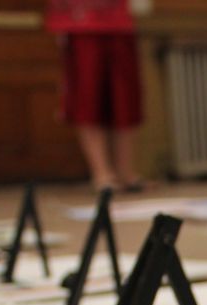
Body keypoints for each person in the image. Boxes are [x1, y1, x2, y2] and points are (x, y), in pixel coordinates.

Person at [46, 0, 146, 191]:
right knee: (87, 99)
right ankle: (101, 174)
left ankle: (125, 172)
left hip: (119, 25)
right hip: (79, 25)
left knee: (126, 100)